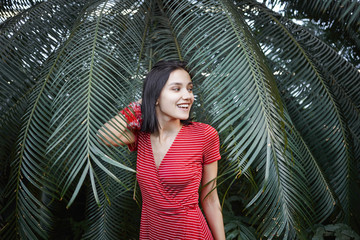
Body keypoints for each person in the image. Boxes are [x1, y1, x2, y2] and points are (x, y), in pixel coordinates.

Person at [98, 60, 225, 240]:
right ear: (156, 96)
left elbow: (210, 199)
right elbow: (104, 135)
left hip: (191, 234)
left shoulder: (204, 135)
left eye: (189, 89)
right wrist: (141, 103)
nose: (188, 96)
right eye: (176, 89)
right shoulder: (142, 136)